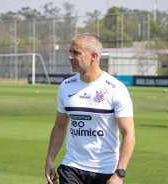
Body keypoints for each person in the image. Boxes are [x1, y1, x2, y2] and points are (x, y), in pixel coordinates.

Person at [45, 33, 135, 184]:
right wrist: (50, 159)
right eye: (70, 52)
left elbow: (129, 134)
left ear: (93, 56)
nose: (70, 57)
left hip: (105, 170)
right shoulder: (66, 86)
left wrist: (119, 173)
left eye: (76, 53)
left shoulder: (116, 88)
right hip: (71, 166)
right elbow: (60, 126)